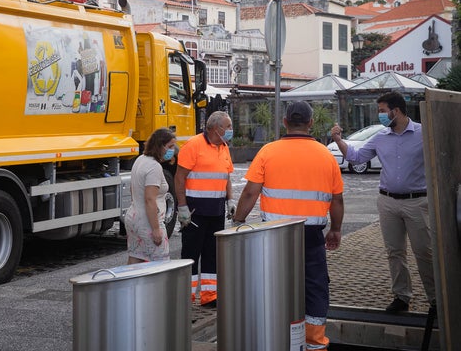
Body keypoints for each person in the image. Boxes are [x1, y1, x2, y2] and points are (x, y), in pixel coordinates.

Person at [233, 101, 343, 351]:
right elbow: (337, 199)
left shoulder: (268, 151)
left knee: (273, 285)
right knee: (314, 287)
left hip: (274, 236)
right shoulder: (326, 155)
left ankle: (276, 339)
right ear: (311, 123)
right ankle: (314, 344)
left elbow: (250, 193)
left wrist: (238, 222)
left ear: (285, 122)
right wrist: (335, 229)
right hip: (312, 236)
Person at [330, 91, 435, 314]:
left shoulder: (423, 133)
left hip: (417, 202)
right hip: (387, 202)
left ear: (395, 111)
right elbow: (356, 157)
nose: (380, 116)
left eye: (382, 111)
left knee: (424, 252)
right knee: (394, 252)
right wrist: (339, 141)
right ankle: (401, 297)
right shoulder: (381, 137)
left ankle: (436, 299)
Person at [175, 111, 234, 308]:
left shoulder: (224, 147)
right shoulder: (193, 145)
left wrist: (230, 200)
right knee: (191, 253)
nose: (230, 130)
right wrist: (182, 206)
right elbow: (180, 177)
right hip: (194, 211)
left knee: (212, 254)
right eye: (228, 127)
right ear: (216, 128)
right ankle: (186, 296)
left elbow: (226, 176)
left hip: (216, 210)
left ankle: (210, 296)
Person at [124, 127, 177, 264]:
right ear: (160, 146)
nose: (173, 150)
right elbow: (149, 199)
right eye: (170, 146)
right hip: (148, 222)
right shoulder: (154, 167)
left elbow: (133, 189)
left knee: (136, 257)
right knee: (160, 263)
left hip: (134, 217)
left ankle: (131, 286)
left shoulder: (140, 159)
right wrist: (155, 229)